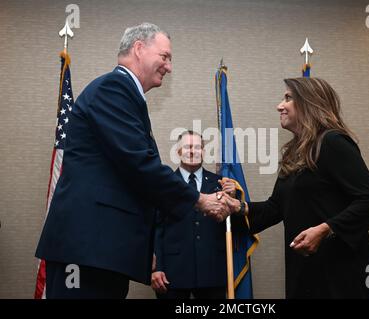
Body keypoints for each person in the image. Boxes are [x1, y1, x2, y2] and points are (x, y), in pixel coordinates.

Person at [35, 23, 229, 299]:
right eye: (165, 57)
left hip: (103, 251)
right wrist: (200, 200)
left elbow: (130, 177)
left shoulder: (127, 96)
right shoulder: (114, 89)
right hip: (86, 249)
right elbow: (139, 164)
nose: (169, 67)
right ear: (139, 48)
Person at [225, 77, 369, 299]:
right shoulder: (294, 152)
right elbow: (275, 208)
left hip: (340, 273)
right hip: (305, 272)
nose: (279, 105)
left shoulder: (333, 142)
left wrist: (325, 229)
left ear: (309, 103)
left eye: (288, 98)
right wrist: (238, 208)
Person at [151, 131, 241, 299]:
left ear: (204, 152)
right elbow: (156, 228)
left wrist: (233, 200)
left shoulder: (221, 183)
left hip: (213, 270)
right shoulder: (165, 184)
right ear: (178, 152)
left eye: (198, 147)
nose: (192, 151)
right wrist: (157, 268)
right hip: (172, 273)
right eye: (187, 147)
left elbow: (235, 228)